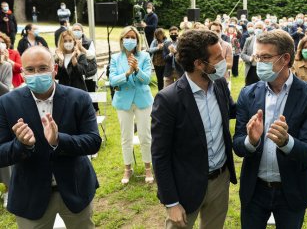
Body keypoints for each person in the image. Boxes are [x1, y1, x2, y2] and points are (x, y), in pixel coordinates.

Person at [0, 46, 101, 228]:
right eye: (30, 70)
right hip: (31, 194)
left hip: (75, 188)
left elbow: (93, 142)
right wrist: (22, 145)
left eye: (42, 68)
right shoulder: (6, 103)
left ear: (54, 69)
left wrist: (58, 140)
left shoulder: (79, 98)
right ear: (22, 72)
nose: (36, 74)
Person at [233, 30, 307, 229]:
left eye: (265, 57)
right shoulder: (248, 94)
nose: (259, 62)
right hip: (254, 190)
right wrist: (251, 140)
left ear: (285, 59)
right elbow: (238, 146)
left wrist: (286, 142)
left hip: (291, 190)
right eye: (258, 57)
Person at [151, 30, 237, 229]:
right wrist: (171, 202)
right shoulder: (168, 100)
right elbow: (160, 155)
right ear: (199, 64)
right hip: (185, 187)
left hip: (220, 180)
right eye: (217, 57)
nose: (224, 60)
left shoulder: (220, 84)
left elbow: (231, 111)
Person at [109, 26, 154, 185]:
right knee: (126, 136)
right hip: (123, 101)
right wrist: (127, 73)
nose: (129, 40)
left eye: (133, 37)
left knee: (145, 135)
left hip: (142, 100)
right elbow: (113, 80)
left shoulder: (145, 56)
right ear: (122, 40)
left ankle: (148, 167)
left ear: (137, 40)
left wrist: (136, 69)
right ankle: (128, 168)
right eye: (126, 37)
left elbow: (147, 79)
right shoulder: (115, 58)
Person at [72, 23, 99, 112]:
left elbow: (92, 56)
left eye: (78, 30)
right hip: (76, 75)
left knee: (92, 99)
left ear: (82, 32)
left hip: (88, 74)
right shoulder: (69, 41)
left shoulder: (88, 42)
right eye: (74, 30)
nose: (76, 32)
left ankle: (94, 115)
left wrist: (81, 48)